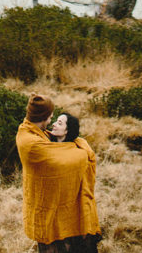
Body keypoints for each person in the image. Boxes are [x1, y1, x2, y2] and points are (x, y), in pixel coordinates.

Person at [16, 94, 101, 253]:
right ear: (43, 117)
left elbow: (75, 152)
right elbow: (66, 159)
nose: (52, 122)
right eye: (50, 118)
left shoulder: (46, 137)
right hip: (48, 206)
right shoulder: (34, 143)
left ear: (68, 130)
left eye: (59, 122)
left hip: (67, 204)